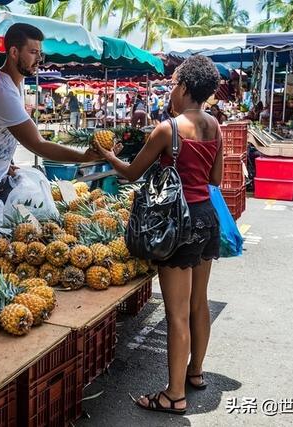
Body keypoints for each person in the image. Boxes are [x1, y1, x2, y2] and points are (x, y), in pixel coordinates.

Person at [96, 55, 222, 415]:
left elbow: (133, 173)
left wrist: (108, 154)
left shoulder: (167, 129)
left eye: (173, 84)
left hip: (176, 224)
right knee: (200, 303)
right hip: (205, 218)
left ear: (184, 87)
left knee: (176, 313)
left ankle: (174, 395)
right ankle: (195, 373)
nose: (170, 90)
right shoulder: (214, 125)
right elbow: (214, 180)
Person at [0, 23, 102, 218]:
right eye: (33, 52)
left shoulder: (15, 83)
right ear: (14, 52)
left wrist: (4, 164)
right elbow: (37, 144)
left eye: (40, 54)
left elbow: (0, 132)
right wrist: (83, 157)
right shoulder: (1, 91)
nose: (39, 60)